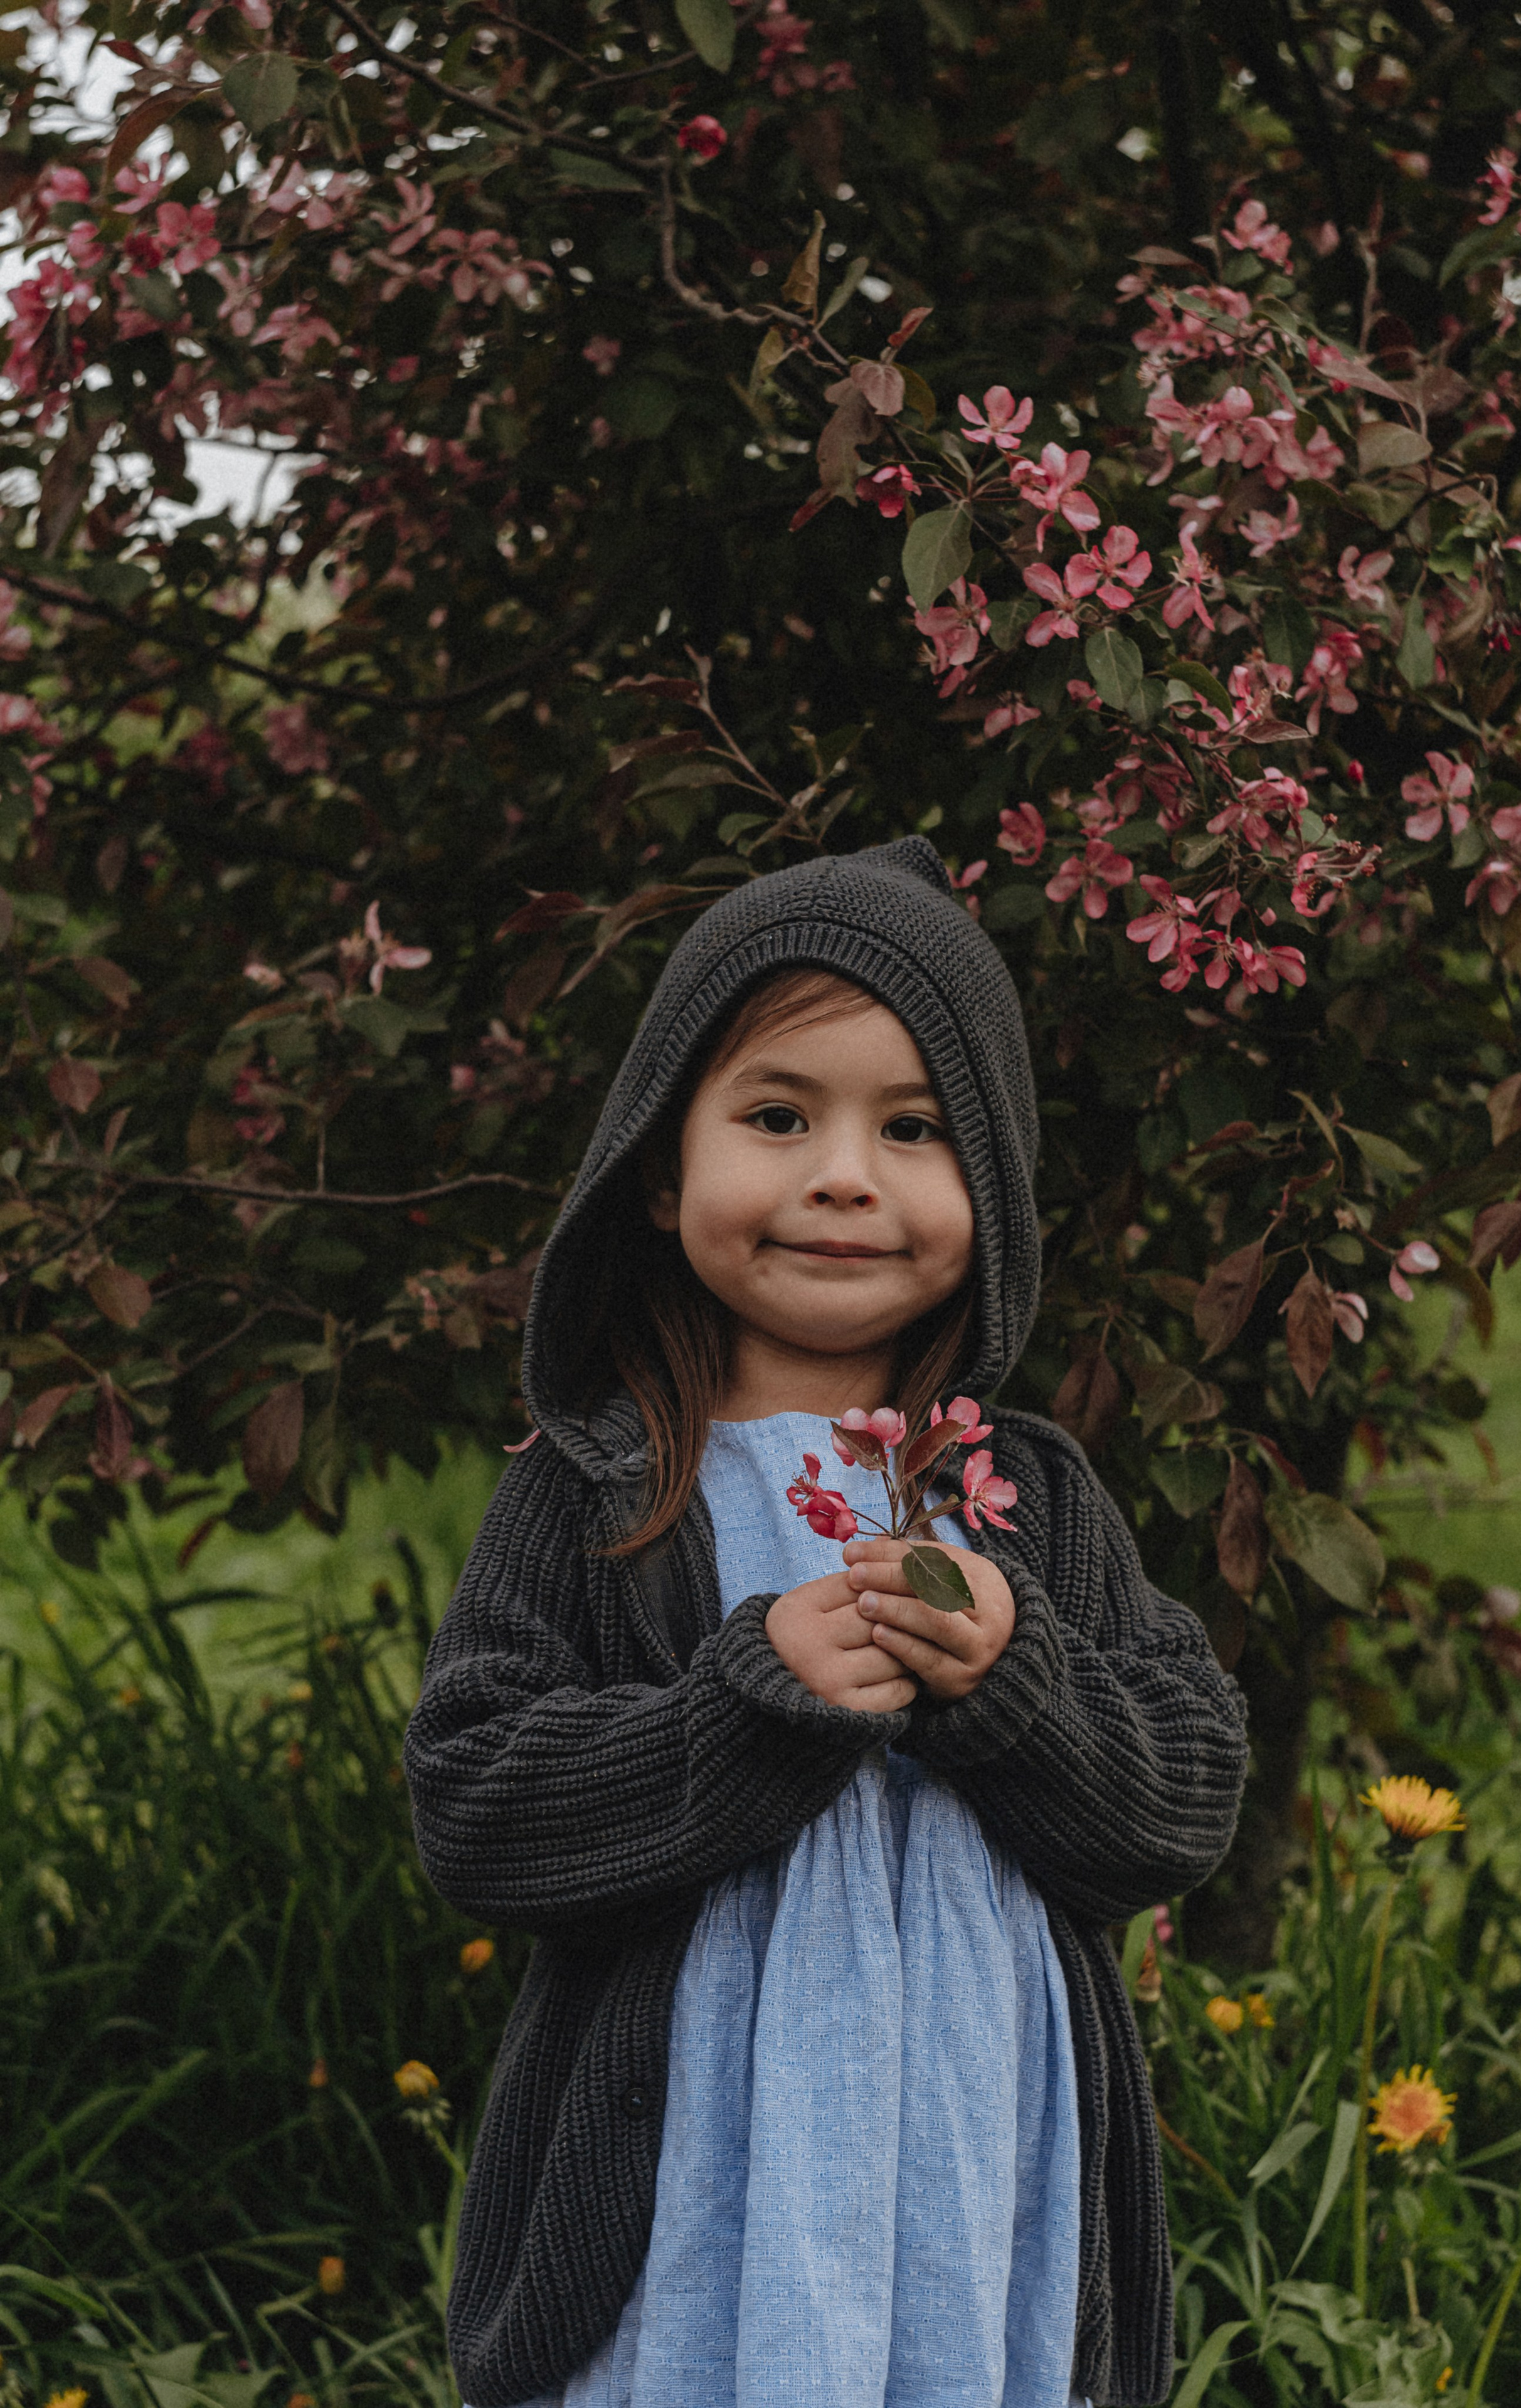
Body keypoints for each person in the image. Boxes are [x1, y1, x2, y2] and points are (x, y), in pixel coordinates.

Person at [405, 835, 1249, 2408]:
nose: (844, 1174)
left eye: (913, 1129)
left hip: (973, 2191)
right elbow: (476, 1804)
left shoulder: (1024, 1499)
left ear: (987, 1192)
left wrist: (1015, 1686)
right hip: (688, 2213)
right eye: (778, 1116)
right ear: (661, 1171)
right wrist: (744, 1710)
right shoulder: (602, 1489)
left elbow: (1180, 1801)